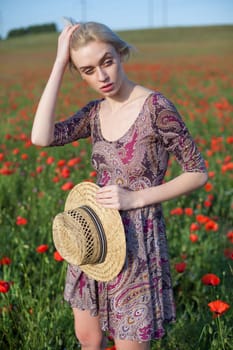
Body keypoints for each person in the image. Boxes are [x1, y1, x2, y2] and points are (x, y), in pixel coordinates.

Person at [31, 20, 208, 350]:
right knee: (89, 339)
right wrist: (59, 62)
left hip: (137, 245)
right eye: (87, 70)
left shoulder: (157, 108)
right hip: (92, 237)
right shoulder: (94, 113)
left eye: (106, 61)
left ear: (121, 53)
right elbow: (41, 137)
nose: (101, 76)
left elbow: (198, 171)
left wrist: (137, 198)